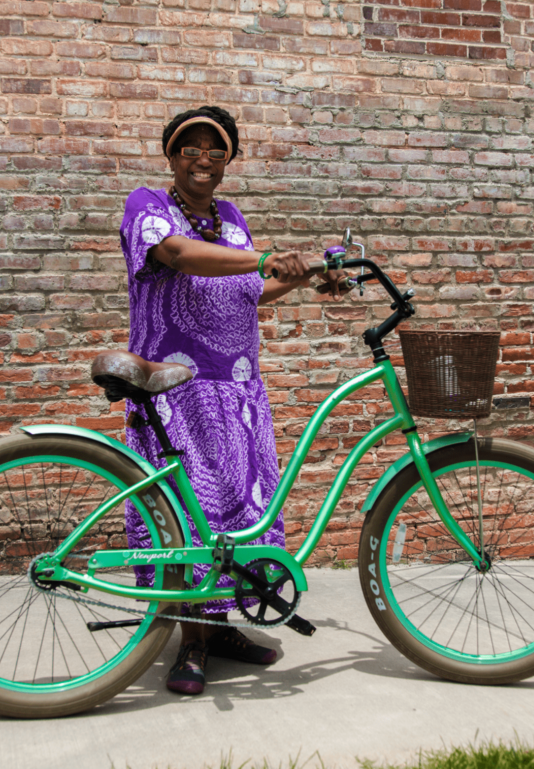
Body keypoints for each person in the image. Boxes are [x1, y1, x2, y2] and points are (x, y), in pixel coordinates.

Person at [118, 106, 349, 695]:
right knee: (189, 513)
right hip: (180, 392)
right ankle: (189, 642)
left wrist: (305, 275)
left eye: (215, 150)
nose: (203, 159)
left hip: (239, 391)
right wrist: (266, 256)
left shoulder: (232, 217)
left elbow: (251, 292)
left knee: (235, 515)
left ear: (228, 163)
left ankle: (220, 630)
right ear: (171, 157)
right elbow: (179, 256)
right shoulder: (148, 205)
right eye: (190, 148)